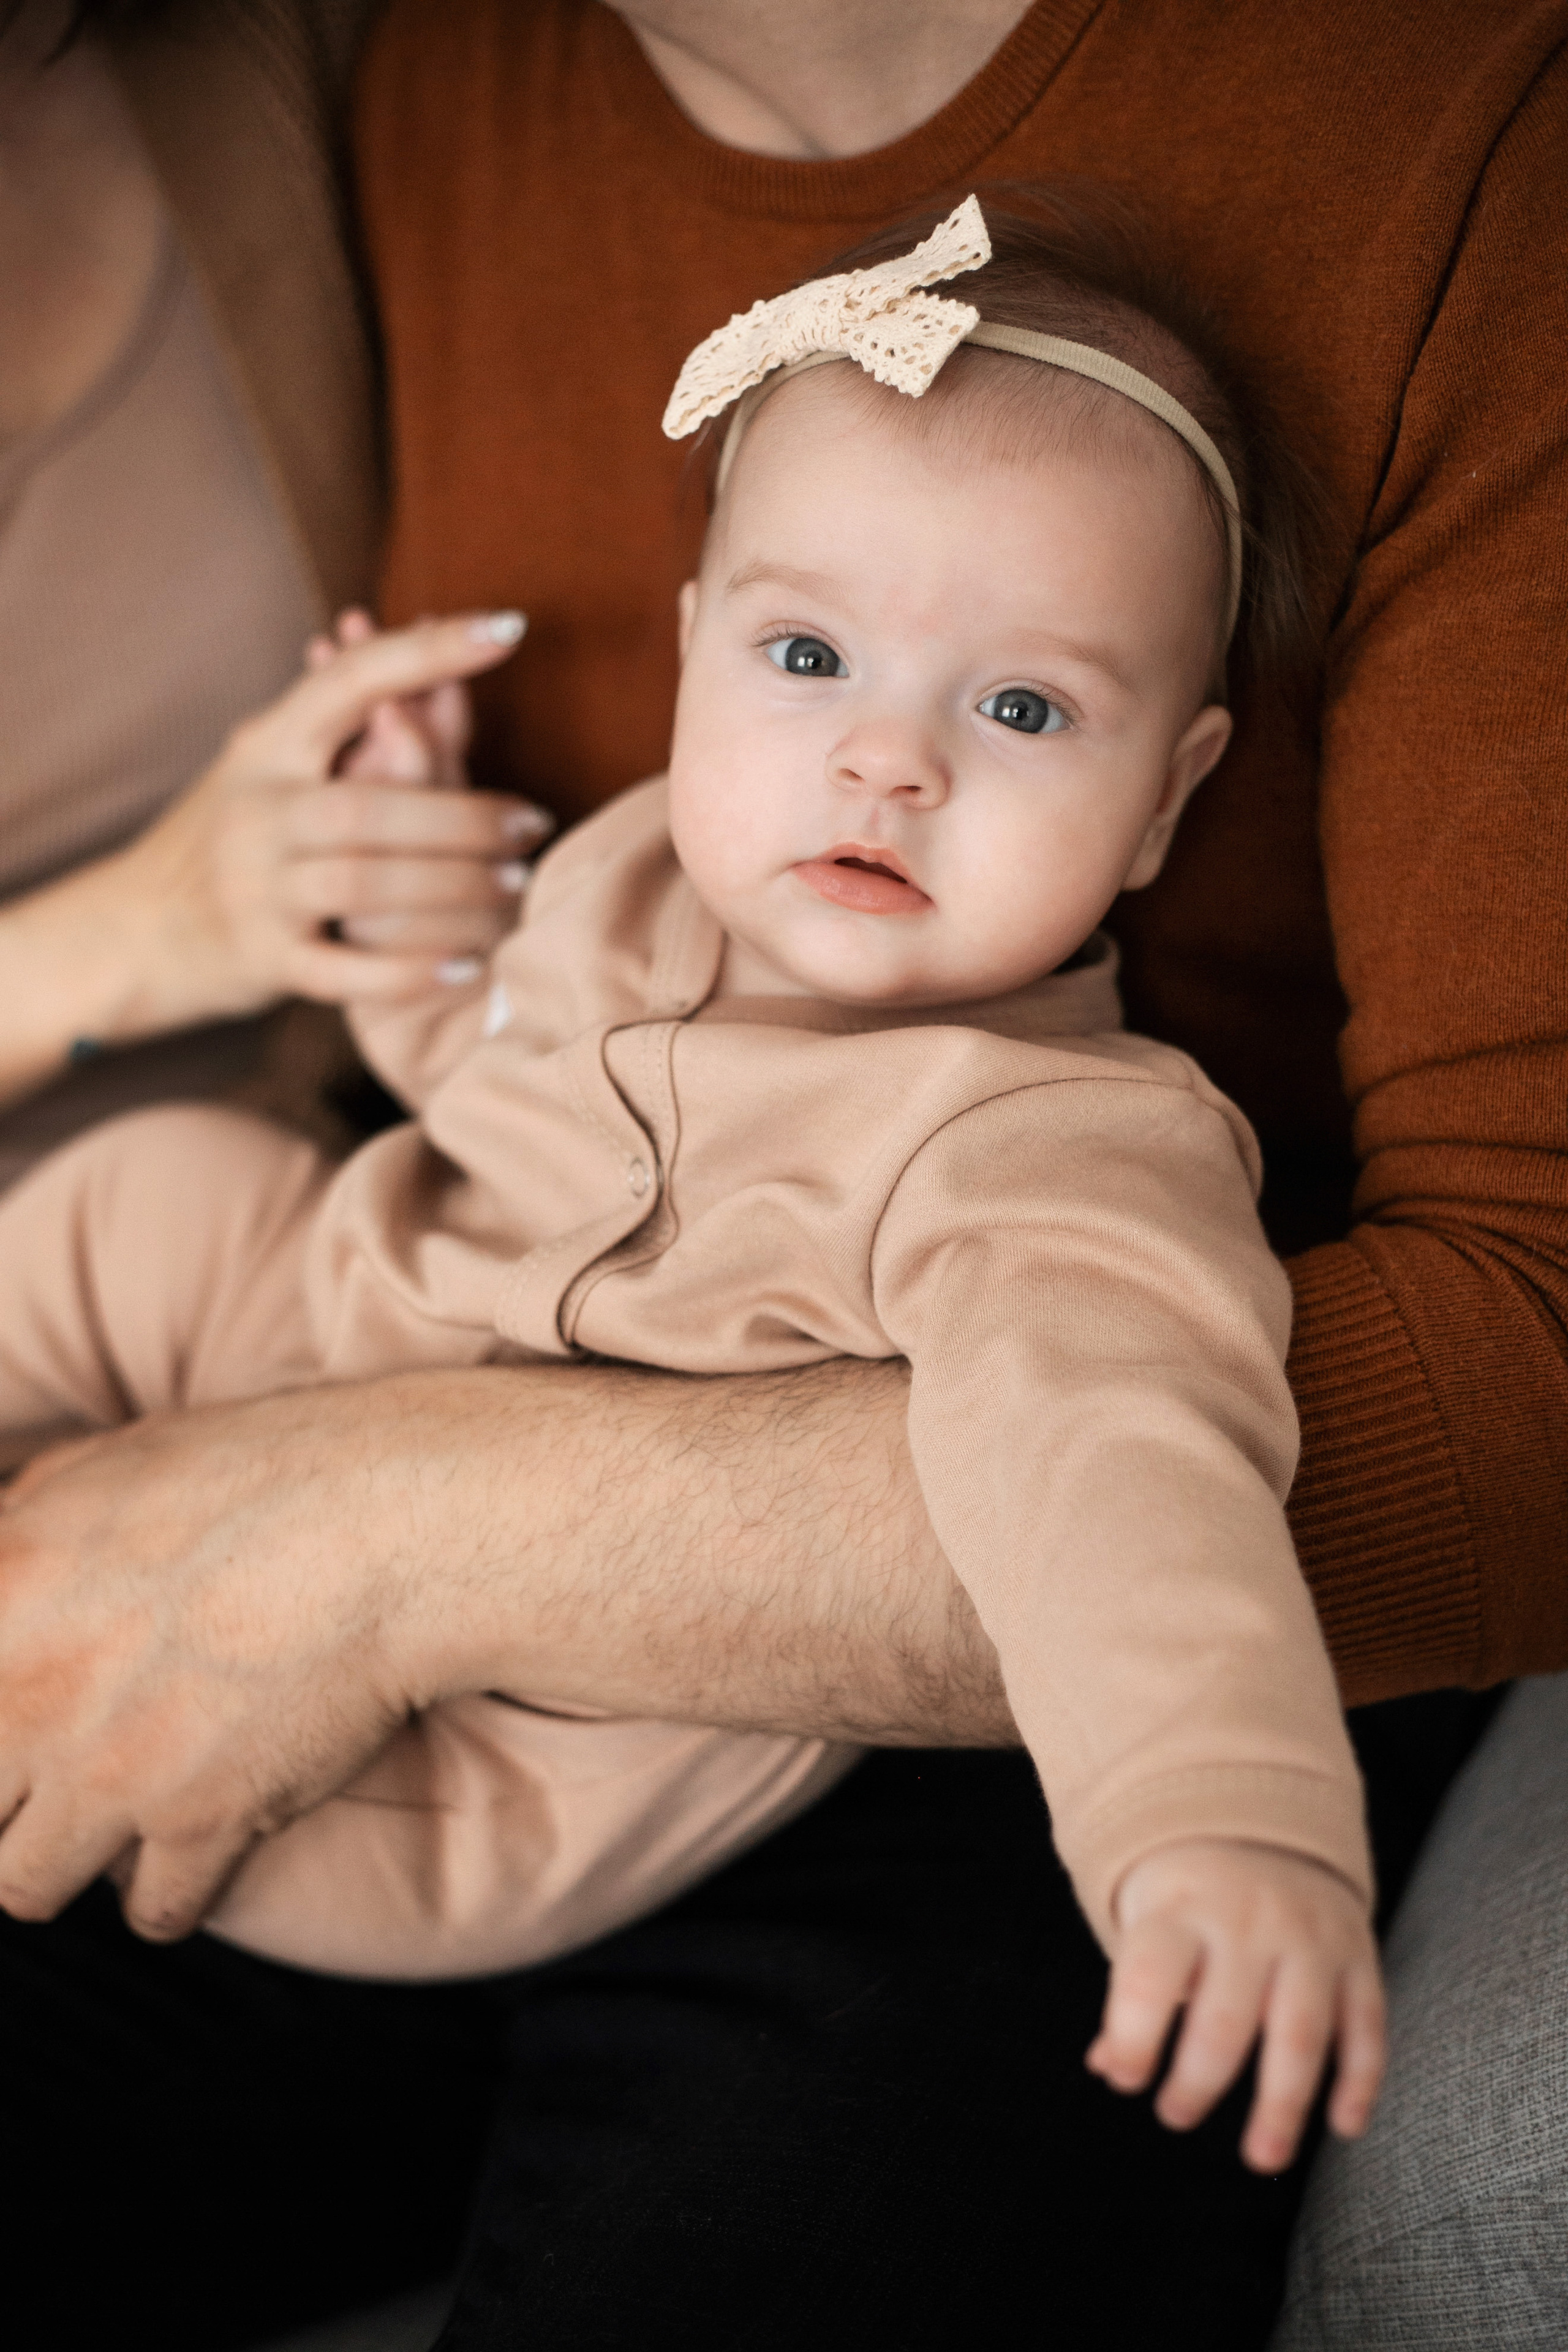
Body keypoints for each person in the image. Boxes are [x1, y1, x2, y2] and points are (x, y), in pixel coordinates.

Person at [0, 3, 1562, 2346]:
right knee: (150, 1192)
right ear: (702, 655)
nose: (886, 764)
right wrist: (414, 933)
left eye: (1020, 709)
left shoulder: (1051, 1151)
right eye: (806, 656)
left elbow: (1125, 1485)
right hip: (367, 1307)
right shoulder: (636, 869)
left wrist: (1218, 1826)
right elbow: (507, 1075)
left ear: (1170, 799)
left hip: (562, 1741)